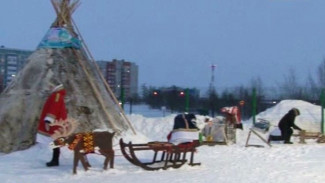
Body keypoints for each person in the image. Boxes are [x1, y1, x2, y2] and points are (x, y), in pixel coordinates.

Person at [38, 82, 67, 167]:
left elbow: (54, 108)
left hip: (55, 122)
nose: (49, 87)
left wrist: (48, 120)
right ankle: (55, 160)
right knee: (56, 141)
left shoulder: (56, 95)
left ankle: (55, 160)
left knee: (56, 141)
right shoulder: (57, 94)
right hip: (57, 122)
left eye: (51, 85)